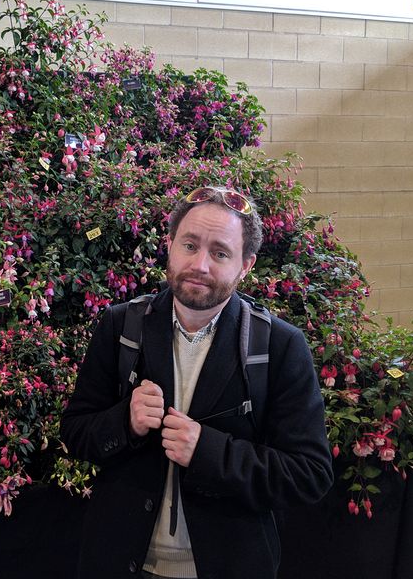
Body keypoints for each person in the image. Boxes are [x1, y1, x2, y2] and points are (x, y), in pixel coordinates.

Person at [60, 186, 333, 579]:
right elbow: (75, 431)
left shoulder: (278, 346)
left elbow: (309, 474)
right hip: (121, 561)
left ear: (246, 265)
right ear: (169, 245)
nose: (200, 265)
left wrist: (208, 451)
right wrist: (126, 422)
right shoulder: (121, 327)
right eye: (189, 245)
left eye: (220, 253)